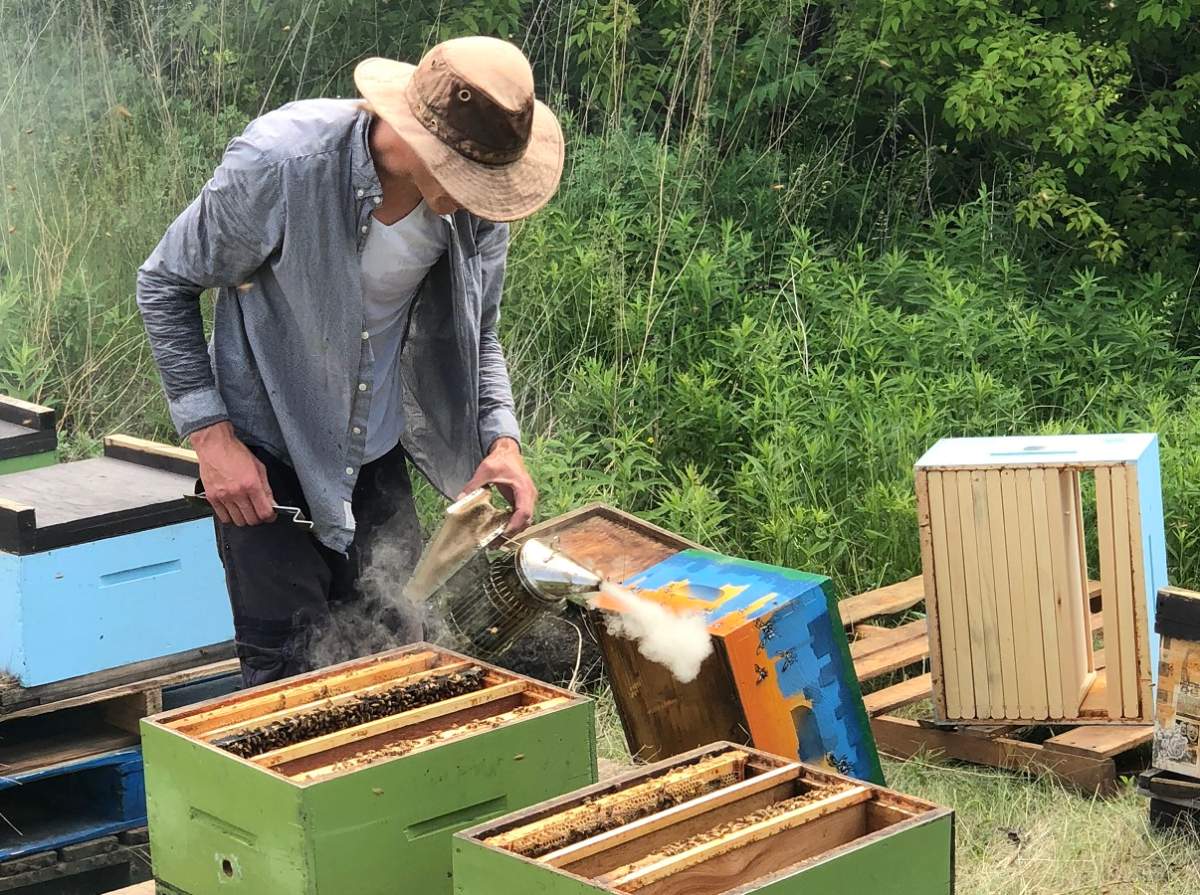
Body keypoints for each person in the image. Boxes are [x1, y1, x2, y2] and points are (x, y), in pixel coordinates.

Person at [136, 36, 564, 685]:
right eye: (471, 176)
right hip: (269, 463)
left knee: (401, 677)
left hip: (378, 456)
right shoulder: (281, 164)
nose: (484, 196)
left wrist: (501, 437)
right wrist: (213, 439)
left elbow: (482, 334)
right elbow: (164, 283)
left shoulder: (476, 211)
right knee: (290, 690)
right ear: (418, 133)